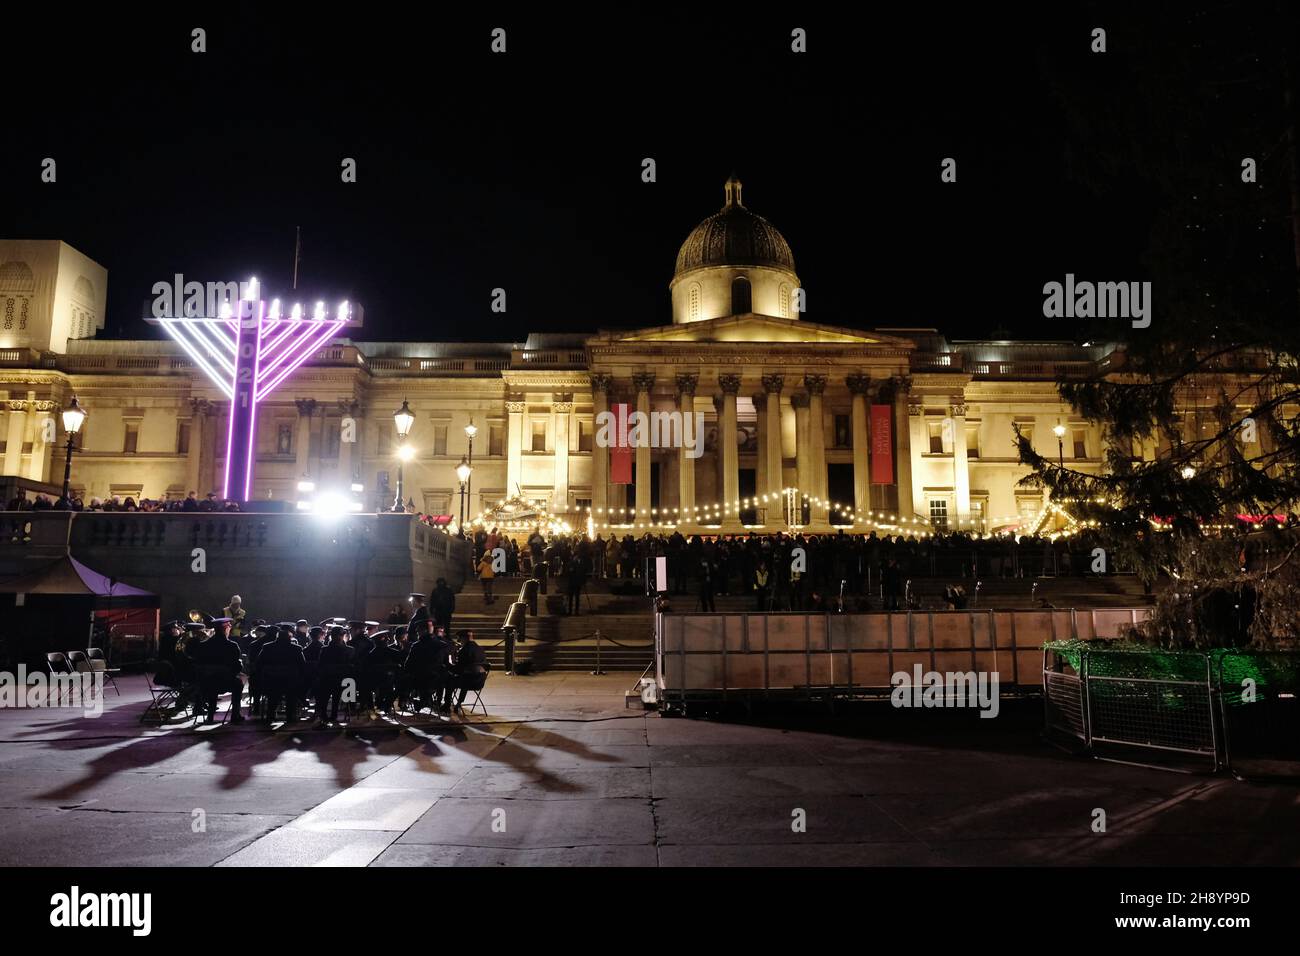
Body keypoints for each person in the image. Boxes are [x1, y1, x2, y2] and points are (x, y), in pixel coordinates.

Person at [187, 617, 245, 724]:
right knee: (238, 684)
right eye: (229, 627)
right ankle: (235, 714)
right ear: (225, 629)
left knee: (212, 685)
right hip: (226, 682)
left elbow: (198, 664)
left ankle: (210, 715)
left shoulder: (203, 645)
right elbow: (237, 668)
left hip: (206, 683)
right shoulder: (232, 646)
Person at [256, 625, 307, 722]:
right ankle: (290, 716)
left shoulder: (267, 647)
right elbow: (303, 666)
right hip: (291, 682)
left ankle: (270, 715)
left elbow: (259, 664)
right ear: (290, 638)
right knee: (292, 694)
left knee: (272, 696)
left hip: (271, 681)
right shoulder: (296, 648)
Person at [314, 626, 354, 726]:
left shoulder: (325, 649)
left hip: (330, 680)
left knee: (325, 693)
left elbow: (320, 666)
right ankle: (331, 715)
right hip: (343, 681)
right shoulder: (349, 650)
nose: (339, 637)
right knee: (335, 693)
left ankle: (324, 715)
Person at [450, 630, 489, 714]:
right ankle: (459, 703)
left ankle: (447, 704)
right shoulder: (480, 649)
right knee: (466, 676)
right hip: (480, 681)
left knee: (449, 681)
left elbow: (458, 669)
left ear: (464, 639)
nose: (459, 641)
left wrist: (449, 666)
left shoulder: (463, 651)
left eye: (459, 639)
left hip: (468, 682)